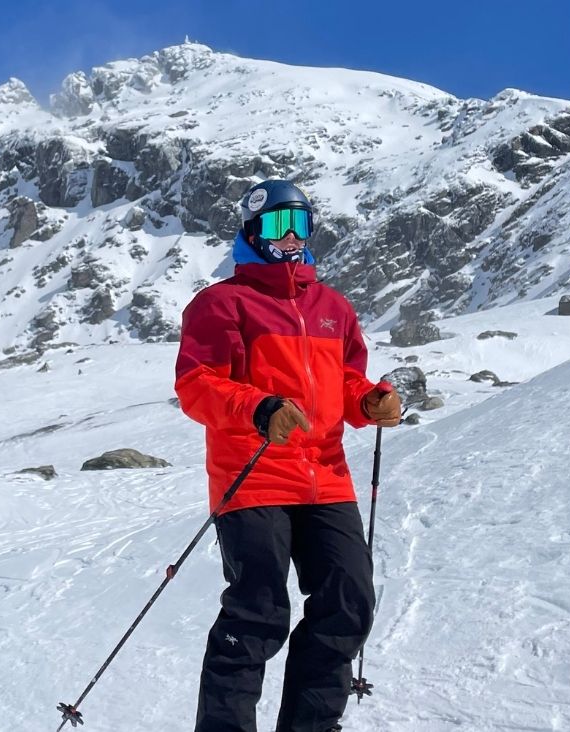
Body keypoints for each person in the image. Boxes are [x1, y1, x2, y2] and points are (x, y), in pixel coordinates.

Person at [174, 180, 402, 732]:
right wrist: (259, 408)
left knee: (349, 601)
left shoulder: (333, 307)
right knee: (258, 611)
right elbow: (196, 383)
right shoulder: (221, 303)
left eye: (302, 223)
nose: (292, 236)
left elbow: (345, 380)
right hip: (251, 478)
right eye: (279, 225)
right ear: (253, 230)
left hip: (326, 477)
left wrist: (368, 400)